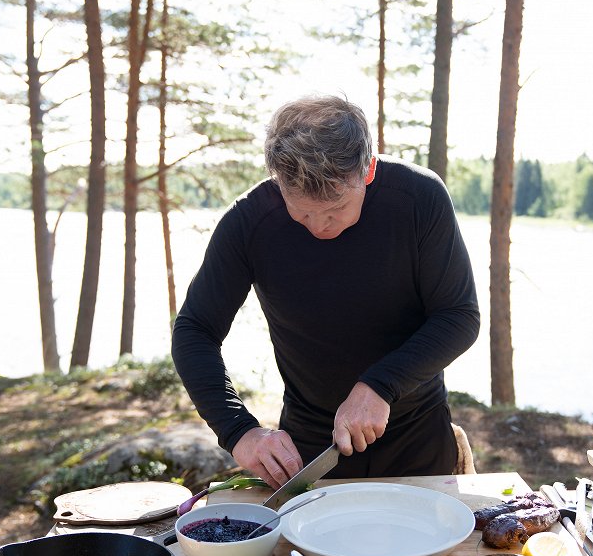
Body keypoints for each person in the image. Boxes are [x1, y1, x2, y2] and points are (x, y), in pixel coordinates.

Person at [172, 94, 480, 489]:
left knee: (434, 551)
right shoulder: (249, 223)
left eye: (335, 209)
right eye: (301, 213)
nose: (319, 227)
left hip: (417, 435)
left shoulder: (419, 199)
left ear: (367, 169)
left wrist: (380, 385)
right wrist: (238, 431)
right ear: (277, 181)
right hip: (309, 448)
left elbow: (459, 315)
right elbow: (195, 330)